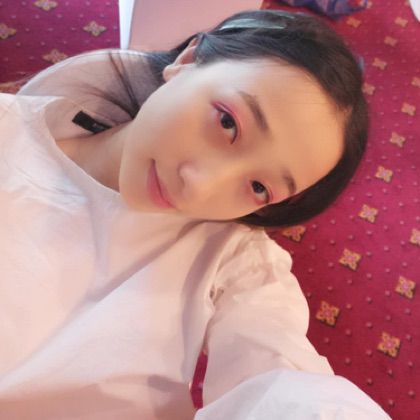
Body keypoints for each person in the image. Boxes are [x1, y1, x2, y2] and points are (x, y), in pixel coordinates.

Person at [0, 9, 390, 420]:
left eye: (259, 187)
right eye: (227, 123)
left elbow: (280, 376)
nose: (200, 186)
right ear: (187, 61)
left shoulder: (234, 262)